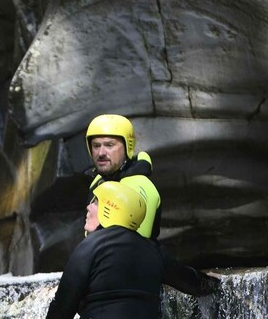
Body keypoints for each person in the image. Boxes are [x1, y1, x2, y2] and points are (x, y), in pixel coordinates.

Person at [85, 114, 220, 296]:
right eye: (96, 146)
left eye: (109, 145)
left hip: (133, 279)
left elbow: (136, 248)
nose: (101, 152)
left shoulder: (140, 186)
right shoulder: (97, 183)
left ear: (127, 147)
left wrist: (199, 282)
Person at [47, 180, 164, 318]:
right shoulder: (153, 251)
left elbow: (62, 307)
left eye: (96, 202)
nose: (88, 207)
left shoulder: (92, 245)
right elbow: (191, 281)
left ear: (113, 209)